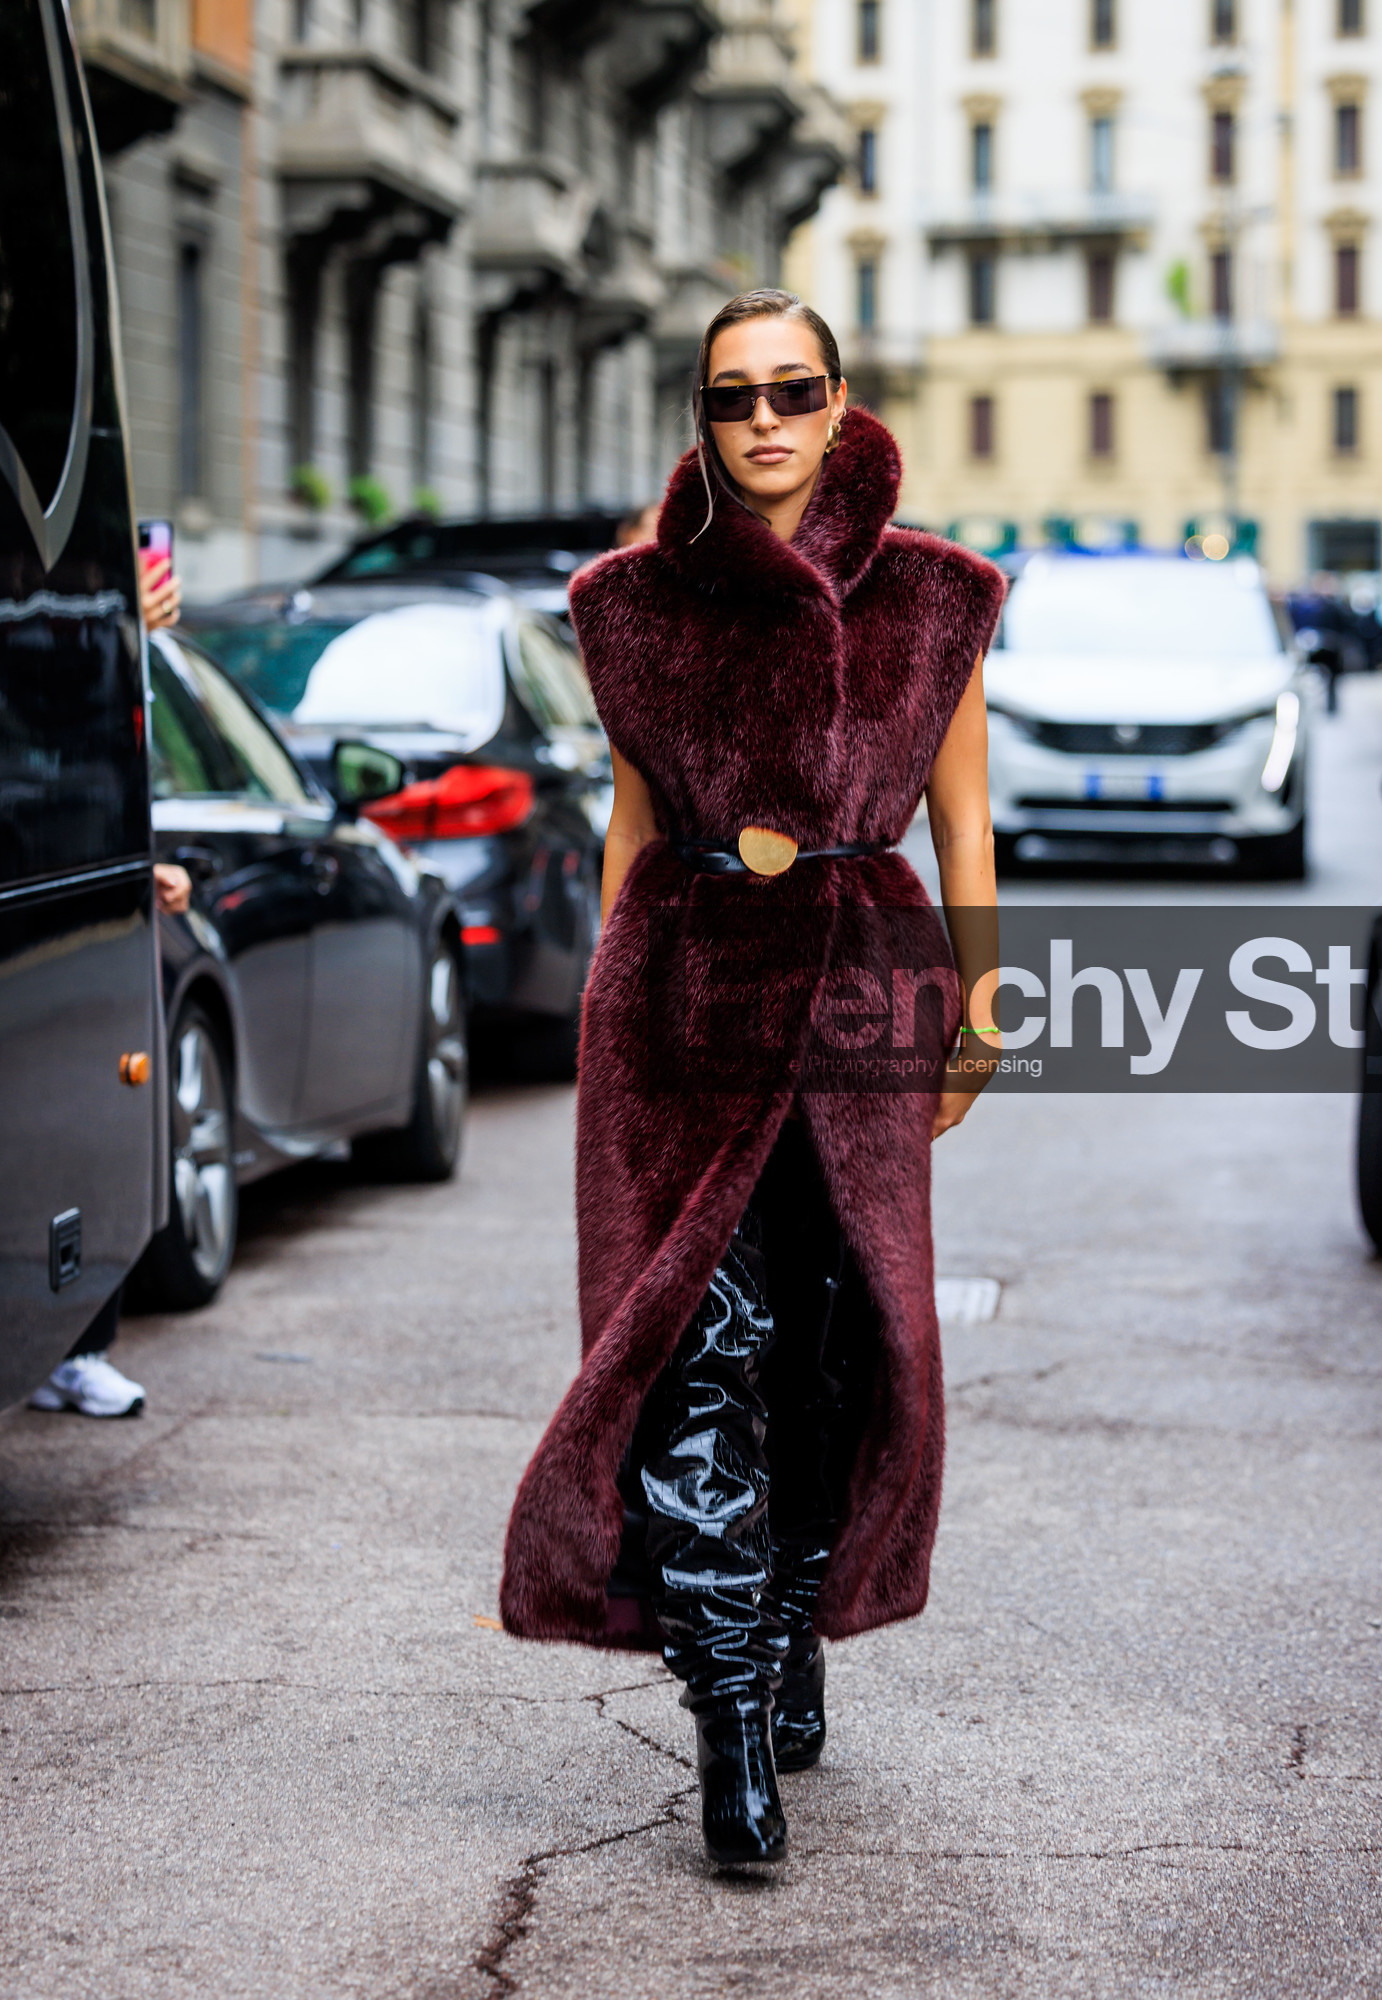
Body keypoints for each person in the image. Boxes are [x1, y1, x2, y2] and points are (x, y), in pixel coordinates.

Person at [499, 290, 1007, 1867]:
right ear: (705, 420)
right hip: (685, 998)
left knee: (836, 1346)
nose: (767, 419)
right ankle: (728, 1724)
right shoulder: (632, 607)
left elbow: (966, 819)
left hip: (864, 987)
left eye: (795, 389)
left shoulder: (935, 598)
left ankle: (790, 1624)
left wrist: (980, 1008)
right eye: (735, 397)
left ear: (843, 400)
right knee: (701, 1355)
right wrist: (609, 995)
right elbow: (633, 826)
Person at [27, 551, 191, 1419]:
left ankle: (79, 1346)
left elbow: (103, 755)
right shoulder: (58, 616)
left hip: (100, 873)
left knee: (101, 1106)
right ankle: (69, 1347)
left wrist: (147, 864)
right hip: (52, 877)